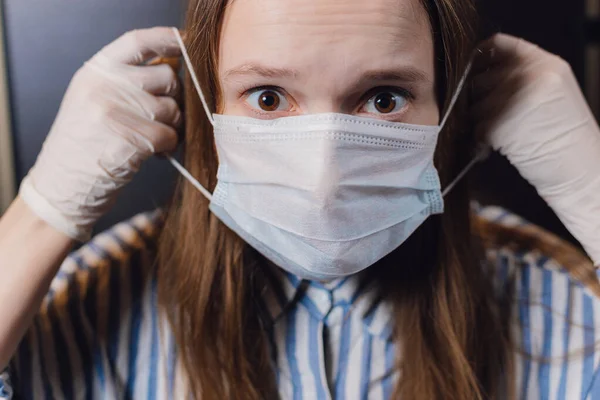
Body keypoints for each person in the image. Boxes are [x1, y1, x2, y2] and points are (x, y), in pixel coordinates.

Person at [0, 0, 599, 398]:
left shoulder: (559, 309)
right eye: (267, 97)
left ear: (450, 102)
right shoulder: (85, 307)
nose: (323, 178)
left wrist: (592, 192)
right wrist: (42, 212)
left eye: (384, 97)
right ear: (208, 106)